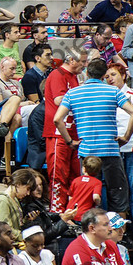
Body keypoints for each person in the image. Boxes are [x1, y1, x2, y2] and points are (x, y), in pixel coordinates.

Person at [54, 58, 133, 214]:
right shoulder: (113, 91)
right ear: (104, 75)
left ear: (87, 73)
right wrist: (126, 137)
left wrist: (70, 141)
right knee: (118, 196)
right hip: (110, 151)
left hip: (87, 153)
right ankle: (118, 235)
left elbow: (57, 119)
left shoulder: (72, 93)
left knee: (88, 197)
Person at [44, 48, 87, 212]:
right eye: (82, 62)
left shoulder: (74, 77)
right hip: (57, 134)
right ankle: (56, 213)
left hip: (73, 134)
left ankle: (71, 214)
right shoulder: (57, 75)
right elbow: (58, 100)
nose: (84, 65)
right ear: (71, 61)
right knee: (58, 176)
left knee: (74, 176)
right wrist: (82, 94)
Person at [0, 169, 37, 247]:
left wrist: (26, 220)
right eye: (27, 189)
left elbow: (15, 224)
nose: (28, 193)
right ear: (18, 184)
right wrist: (26, 236)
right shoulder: (2, 201)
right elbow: (4, 230)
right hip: (2, 247)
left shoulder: (15, 199)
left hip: (13, 242)